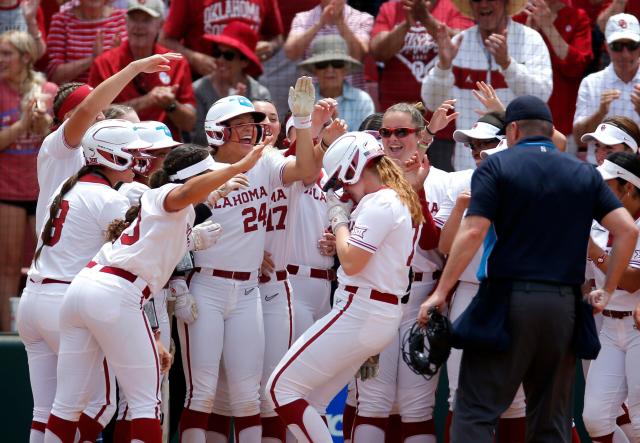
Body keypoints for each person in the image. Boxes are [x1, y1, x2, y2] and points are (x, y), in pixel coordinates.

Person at [417, 95, 638, 442]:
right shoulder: (582, 172)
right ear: (551, 132)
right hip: (562, 309)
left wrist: (441, 292)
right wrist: (608, 289)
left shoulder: (497, 166)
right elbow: (628, 229)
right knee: (548, 422)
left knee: (473, 410)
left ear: (514, 130)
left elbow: (473, 231)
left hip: (506, 301)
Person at [44, 139, 265, 443]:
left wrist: (155, 337)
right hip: (118, 293)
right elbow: (184, 194)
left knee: (67, 405)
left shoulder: (170, 203)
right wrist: (238, 168)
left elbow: (190, 204)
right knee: (146, 403)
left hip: (88, 288)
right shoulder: (165, 195)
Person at [178, 78, 320, 443]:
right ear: (217, 131)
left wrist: (302, 122)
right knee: (203, 392)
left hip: (248, 292)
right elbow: (168, 224)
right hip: (205, 285)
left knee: (247, 397)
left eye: (251, 123)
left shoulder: (266, 160)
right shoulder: (194, 168)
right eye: (238, 124)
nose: (249, 129)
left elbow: (306, 170)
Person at [265, 131, 424, 442]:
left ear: (354, 166)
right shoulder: (388, 198)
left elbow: (351, 262)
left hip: (361, 309)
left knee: (279, 388)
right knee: (313, 401)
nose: (344, 190)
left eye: (343, 180)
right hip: (372, 310)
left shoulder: (380, 201)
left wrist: (338, 221)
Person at [18, 119, 148, 443]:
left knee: (44, 410)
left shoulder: (66, 188)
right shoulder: (108, 198)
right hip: (65, 304)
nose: (137, 159)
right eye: (130, 152)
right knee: (100, 405)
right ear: (109, 155)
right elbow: (135, 253)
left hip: (32, 302)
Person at [349, 102, 452, 443]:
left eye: (401, 132)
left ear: (420, 136)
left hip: (420, 301)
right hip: (374, 299)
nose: (392, 140)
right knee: (373, 404)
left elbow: (435, 245)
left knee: (417, 407)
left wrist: (417, 188)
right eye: (386, 133)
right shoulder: (364, 178)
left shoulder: (443, 182)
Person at [436, 111, 528, 440]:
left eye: (485, 144)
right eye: (473, 146)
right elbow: (445, 245)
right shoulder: (458, 182)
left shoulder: (527, 178)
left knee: (515, 398)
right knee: (459, 392)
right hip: (468, 292)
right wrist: (464, 206)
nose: (477, 152)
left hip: (514, 294)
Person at [36, 52, 183, 236]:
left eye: (102, 110)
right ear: (68, 117)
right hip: (62, 257)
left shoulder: (99, 154)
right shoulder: (58, 147)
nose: (101, 116)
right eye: (95, 110)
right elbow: (88, 108)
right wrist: (134, 68)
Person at [421, 0, 552, 171]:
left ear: (506, 3)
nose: (483, 4)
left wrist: (507, 65)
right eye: (476, 0)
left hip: (518, 163)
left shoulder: (531, 40)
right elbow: (432, 102)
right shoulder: (460, 42)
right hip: (468, 166)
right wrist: (443, 67)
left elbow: (541, 96)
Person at [370, 0, 473, 171]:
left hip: (442, 126)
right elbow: (377, 52)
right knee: (396, 185)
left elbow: (465, 45)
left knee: (439, 190)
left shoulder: (453, 7)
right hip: (396, 128)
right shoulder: (390, 8)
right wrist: (406, 25)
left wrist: (426, 19)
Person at [0, 30, 56, 332]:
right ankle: (8, 331)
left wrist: (43, 123)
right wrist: (22, 124)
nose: (0, 60)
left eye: (6, 54)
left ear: (25, 57)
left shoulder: (48, 89)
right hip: (6, 189)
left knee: (45, 264)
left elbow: (62, 143)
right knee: (7, 268)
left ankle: (44, 326)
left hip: (43, 190)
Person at [583, 151, 640, 443]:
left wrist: (597, 254)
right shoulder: (600, 221)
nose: (599, 191)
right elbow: (589, 277)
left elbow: (632, 281)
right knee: (594, 417)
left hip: (637, 327)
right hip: (608, 328)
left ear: (628, 187)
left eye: (607, 185)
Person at [88, 0, 196, 139]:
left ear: (160, 25)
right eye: (134, 19)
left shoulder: (175, 62)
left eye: (146, 20)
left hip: (162, 149)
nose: (139, 27)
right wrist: (147, 100)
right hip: (117, 145)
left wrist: (171, 105)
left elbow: (189, 123)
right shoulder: (104, 63)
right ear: (126, 22)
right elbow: (92, 114)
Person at [514, 0, 592, 151]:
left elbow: (576, 68)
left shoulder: (577, 17)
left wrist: (548, 26)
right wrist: (529, 36)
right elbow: (508, 67)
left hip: (562, 126)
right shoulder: (518, 17)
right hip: (520, 125)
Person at [191, 21, 271, 146]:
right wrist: (226, 111)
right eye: (217, 53)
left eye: (229, 55)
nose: (220, 60)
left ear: (244, 62)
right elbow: (199, 138)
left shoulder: (260, 93)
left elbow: (264, 134)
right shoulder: (199, 89)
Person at [159, 0, 284, 77]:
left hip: (247, 81)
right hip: (204, 82)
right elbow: (165, 40)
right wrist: (194, 58)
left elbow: (277, 38)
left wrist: (270, 47)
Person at [574, 13, 640, 145]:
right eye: (617, 46)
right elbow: (579, 140)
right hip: (599, 163)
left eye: (632, 45)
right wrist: (600, 113)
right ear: (606, 47)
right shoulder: (591, 83)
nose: (625, 54)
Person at [284, 0, 374, 88]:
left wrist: (340, 22)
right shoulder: (302, 18)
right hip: (313, 97)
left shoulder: (363, 18)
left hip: (353, 98)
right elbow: (291, 53)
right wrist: (319, 23)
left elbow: (358, 56)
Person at [298, 34, 374, 132]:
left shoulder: (362, 100)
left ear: (345, 69)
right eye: (322, 64)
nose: (330, 69)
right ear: (314, 69)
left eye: (337, 64)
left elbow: (367, 140)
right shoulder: (303, 100)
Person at [46, 0, 127, 84]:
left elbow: (133, 67)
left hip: (115, 90)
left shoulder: (123, 18)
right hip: (76, 92)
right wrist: (92, 59)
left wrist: (115, 58)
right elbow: (55, 76)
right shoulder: (61, 21)